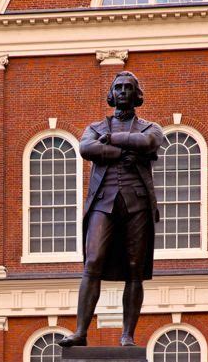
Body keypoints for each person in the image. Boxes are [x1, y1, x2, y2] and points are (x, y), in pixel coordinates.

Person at [60, 71, 163, 347]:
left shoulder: (149, 127)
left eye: (128, 88)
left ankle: (127, 334)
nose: (122, 92)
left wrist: (110, 142)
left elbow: (149, 143)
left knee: (134, 269)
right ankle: (81, 332)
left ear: (137, 95)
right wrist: (122, 151)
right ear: (111, 93)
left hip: (137, 203)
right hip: (103, 202)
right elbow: (85, 148)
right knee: (92, 262)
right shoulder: (96, 127)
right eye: (118, 87)